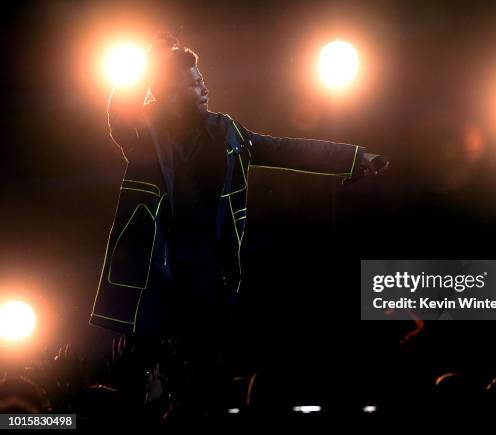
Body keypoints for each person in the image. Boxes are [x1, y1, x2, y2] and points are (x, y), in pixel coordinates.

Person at [90, 33, 388, 342]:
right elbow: (121, 108)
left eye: (202, 80)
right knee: (152, 369)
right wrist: (151, 61)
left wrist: (355, 157)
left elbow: (284, 149)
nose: (204, 88)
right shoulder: (143, 134)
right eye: (194, 83)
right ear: (171, 94)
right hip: (155, 276)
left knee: (206, 363)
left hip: (210, 273)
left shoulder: (228, 133)